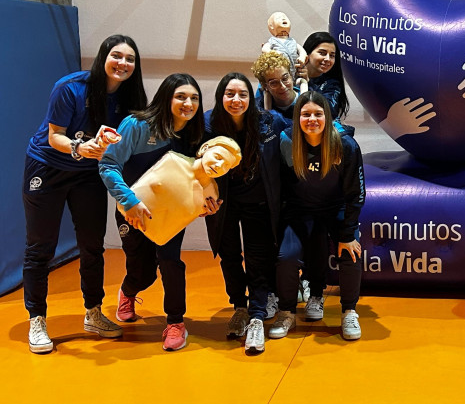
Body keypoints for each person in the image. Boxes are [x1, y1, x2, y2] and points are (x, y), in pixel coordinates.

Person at [22, 35, 147, 354]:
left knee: (93, 244)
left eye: (130, 59)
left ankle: (93, 312)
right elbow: (55, 137)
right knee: (40, 248)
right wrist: (80, 147)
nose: (123, 63)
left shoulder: (130, 98)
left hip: (86, 174)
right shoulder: (70, 87)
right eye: (116, 56)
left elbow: (126, 144)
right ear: (103, 56)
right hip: (47, 167)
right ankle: (37, 318)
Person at [99, 73, 211, 352]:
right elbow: (108, 165)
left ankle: (175, 322)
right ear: (166, 97)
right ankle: (128, 291)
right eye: (181, 96)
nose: (188, 103)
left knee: (170, 261)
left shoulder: (195, 135)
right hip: (133, 211)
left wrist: (204, 203)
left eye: (194, 98)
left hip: (170, 216)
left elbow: (199, 178)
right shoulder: (136, 125)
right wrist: (130, 202)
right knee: (144, 271)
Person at [272, 91, 366, 341]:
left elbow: (356, 193)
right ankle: (288, 311)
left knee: (350, 252)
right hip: (300, 211)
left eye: (317, 113)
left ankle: (349, 311)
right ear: (297, 117)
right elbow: (279, 185)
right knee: (286, 257)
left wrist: (347, 234)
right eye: (305, 114)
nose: (311, 119)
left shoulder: (345, 144)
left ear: (327, 116)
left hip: (336, 209)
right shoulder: (286, 141)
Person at [204, 72, 286, 354]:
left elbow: (301, 130)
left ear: (252, 98)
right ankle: (239, 306)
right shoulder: (207, 124)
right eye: (229, 94)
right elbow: (191, 165)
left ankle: (257, 316)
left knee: (257, 258)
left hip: (259, 203)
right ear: (220, 97)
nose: (236, 100)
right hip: (223, 204)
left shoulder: (268, 121)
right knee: (228, 256)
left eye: (242, 94)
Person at [299, 31, 354, 136]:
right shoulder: (289, 76)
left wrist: (308, 83)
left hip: (321, 134)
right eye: (322, 53)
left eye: (332, 55)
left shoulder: (332, 83)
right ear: (308, 54)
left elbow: (329, 111)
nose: (328, 59)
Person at [251, 51, 300, 119]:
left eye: (285, 78)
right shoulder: (258, 109)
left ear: (291, 76)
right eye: (274, 83)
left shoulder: (310, 100)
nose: (283, 86)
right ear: (265, 86)